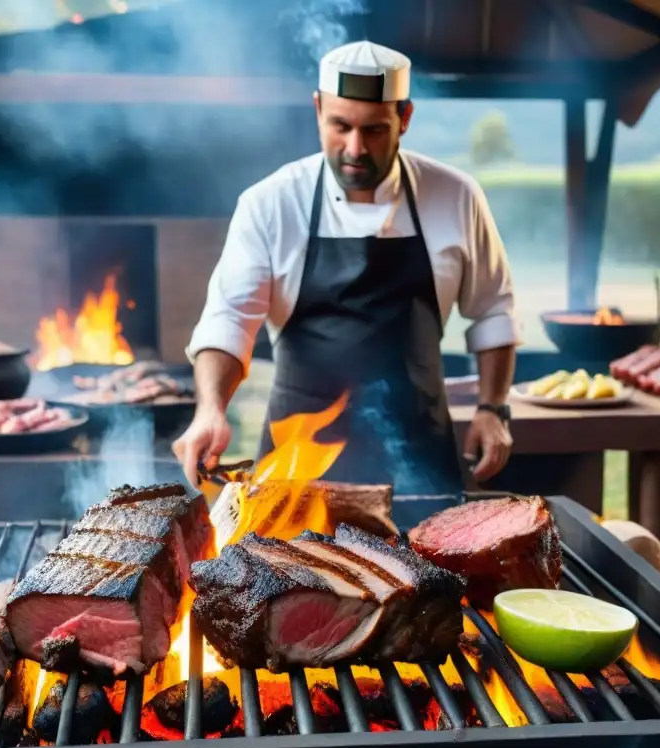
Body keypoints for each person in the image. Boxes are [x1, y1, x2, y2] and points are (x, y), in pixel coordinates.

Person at [173, 40, 520, 518]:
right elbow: (230, 319)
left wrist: (492, 407)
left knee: (432, 585)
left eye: (375, 130)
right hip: (297, 466)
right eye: (340, 126)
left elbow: (493, 310)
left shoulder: (456, 196)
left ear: (405, 118)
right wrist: (210, 408)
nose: (355, 149)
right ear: (318, 110)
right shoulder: (271, 202)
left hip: (417, 460)